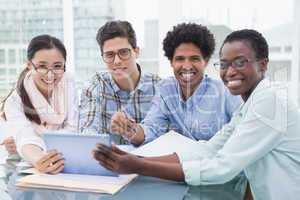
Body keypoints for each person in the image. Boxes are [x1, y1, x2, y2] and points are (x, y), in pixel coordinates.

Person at [93, 29, 300, 199]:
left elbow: (222, 166)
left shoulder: (268, 102)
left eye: (240, 62)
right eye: (225, 64)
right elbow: (208, 149)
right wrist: (135, 157)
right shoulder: (251, 104)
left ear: (263, 64)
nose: (230, 71)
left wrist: (140, 166)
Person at [111, 23, 241, 146]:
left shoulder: (225, 92)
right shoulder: (166, 90)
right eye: (179, 59)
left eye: (194, 58)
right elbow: (152, 129)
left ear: (205, 62)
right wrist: (129, 129)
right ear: (171, 62)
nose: (187, 66)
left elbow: (242, 135)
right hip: (181, 165)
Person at [1, 34, 78, 174]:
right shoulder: (14, 101)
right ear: (29, 65)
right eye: (42, 66)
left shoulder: (68, 83)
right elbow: (25, 138)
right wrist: (38, 158)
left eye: (57, 66)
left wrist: (39, 143)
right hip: (26, 166)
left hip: (65, 162)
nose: (50, 75)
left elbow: (74, 129)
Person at [79, 20, 160, 144]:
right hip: (108, 160)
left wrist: (131, 130)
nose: (117, 61)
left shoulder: (158, 87)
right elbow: (87, 132)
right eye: (109, 55)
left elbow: (161, 133)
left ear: (136, 52)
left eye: (123, 52)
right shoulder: (96, 85)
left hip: (147, 161)